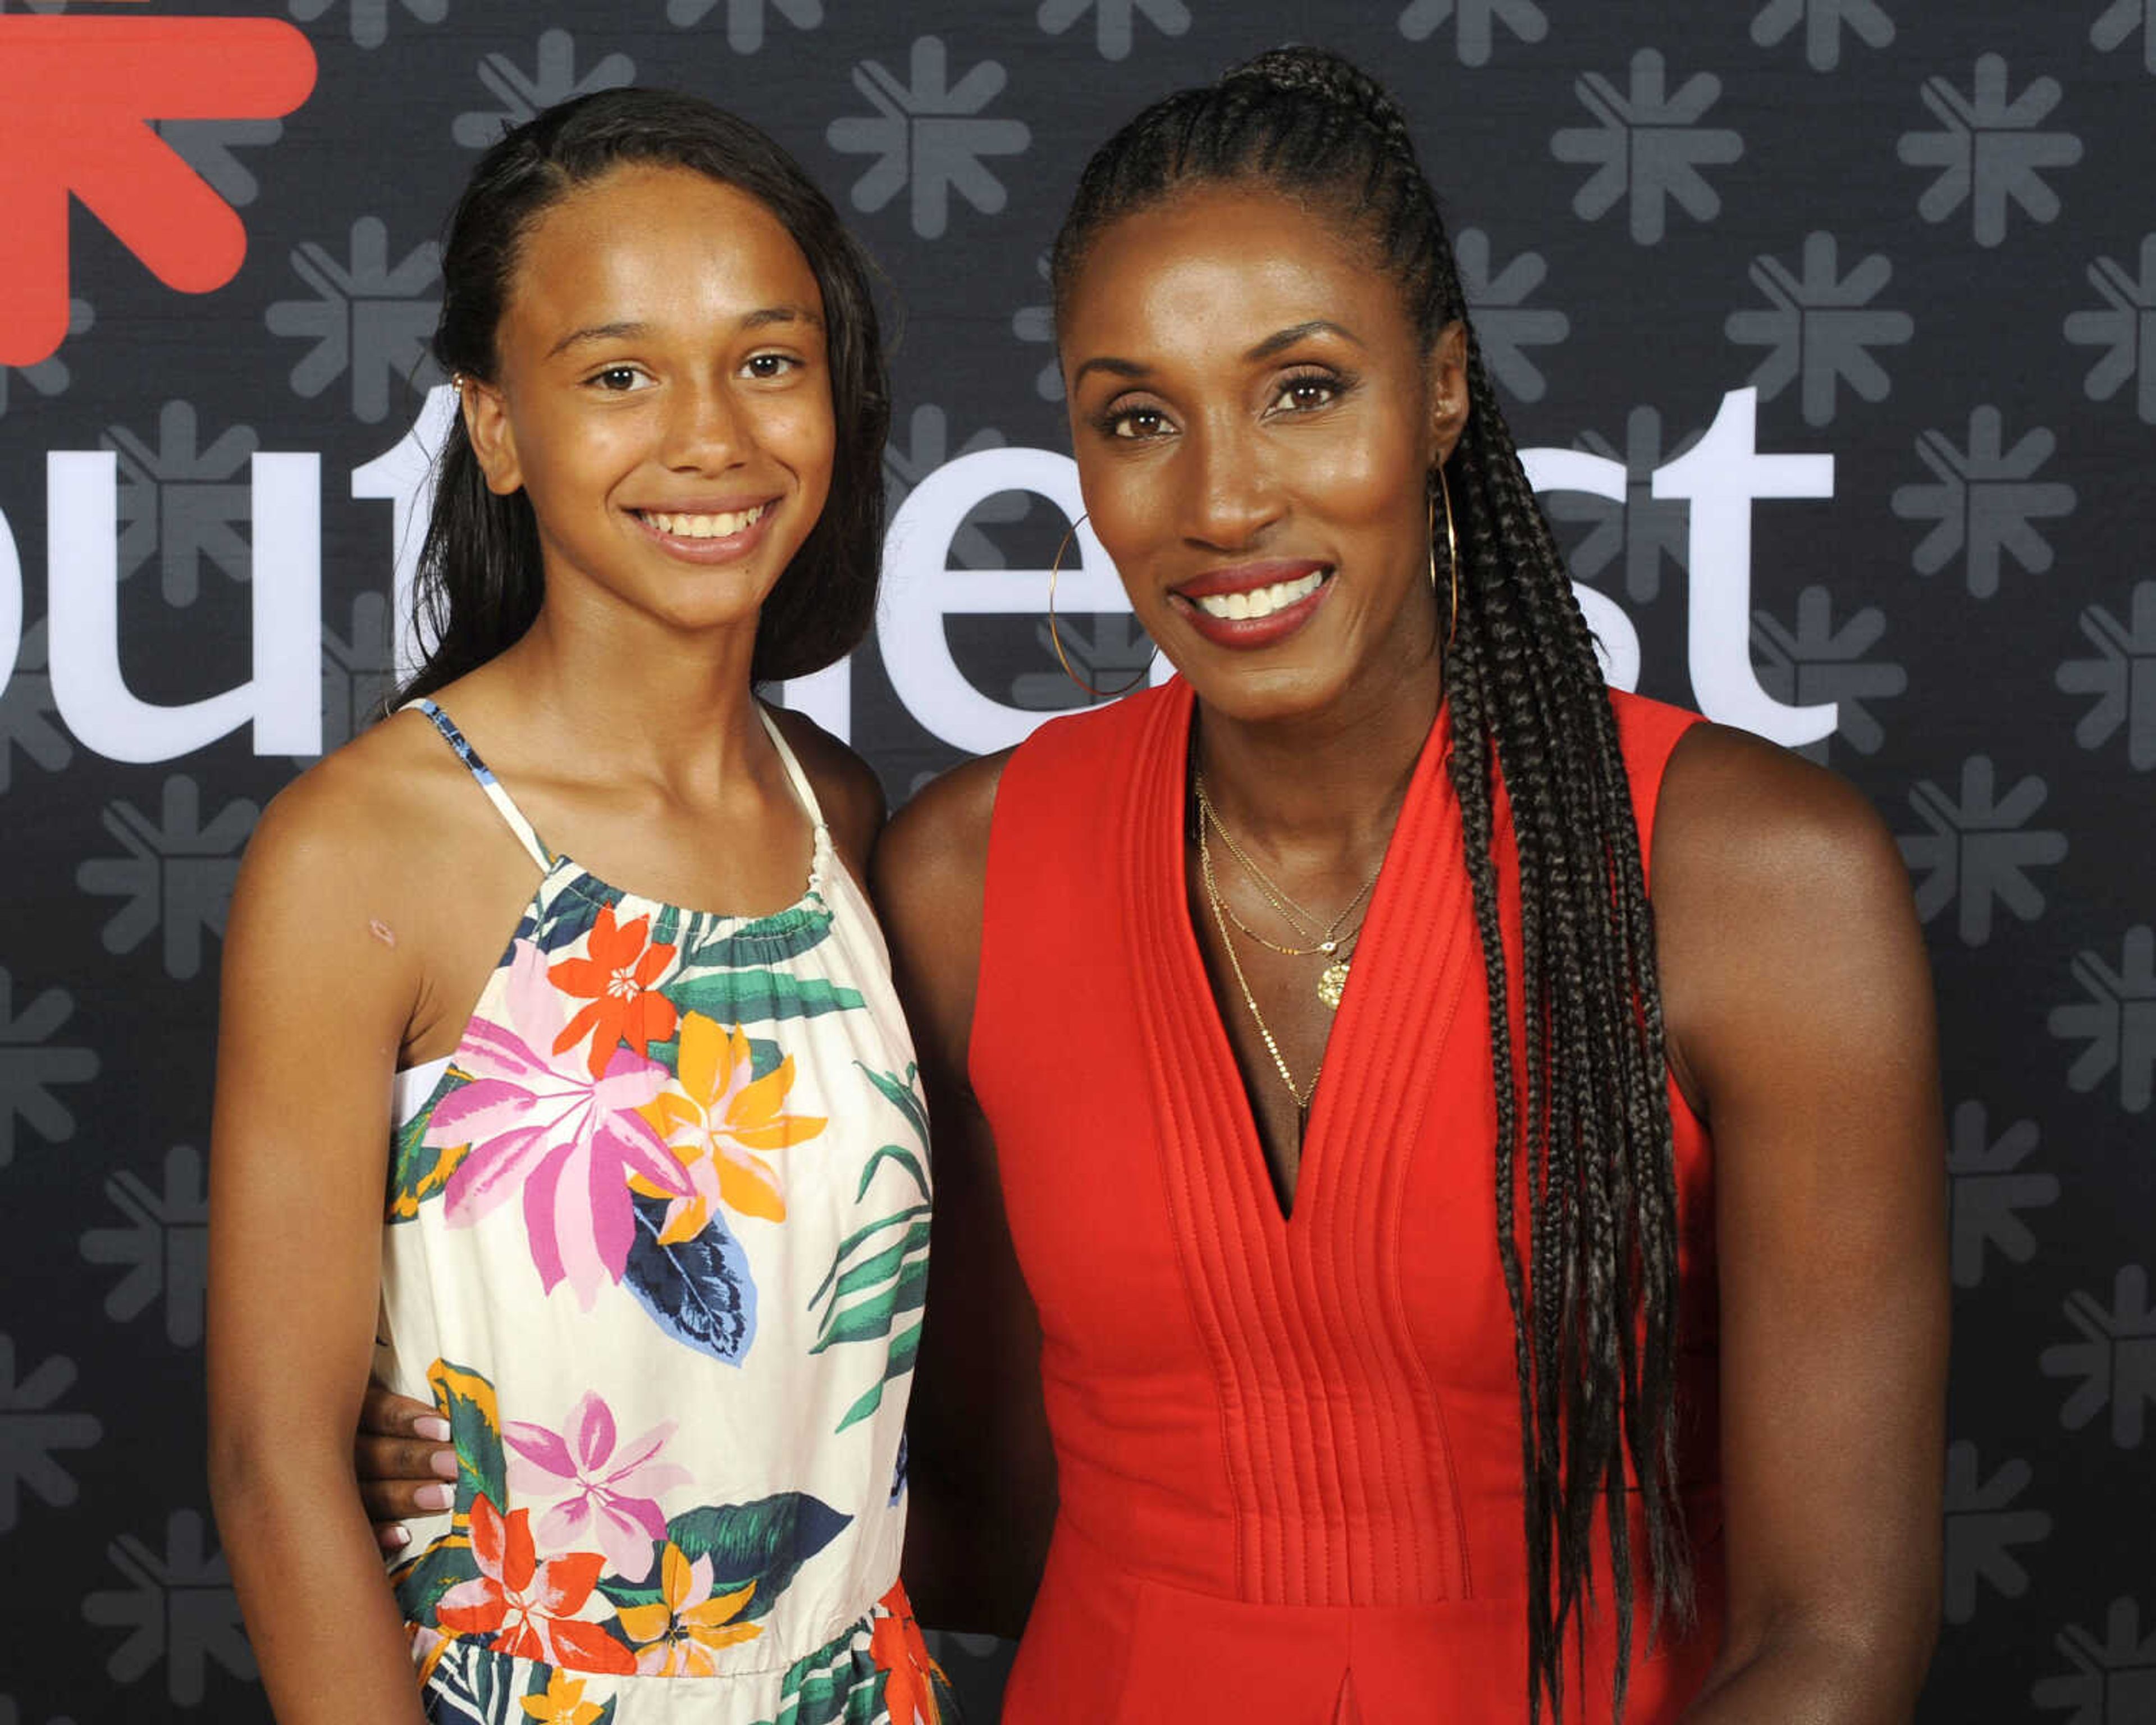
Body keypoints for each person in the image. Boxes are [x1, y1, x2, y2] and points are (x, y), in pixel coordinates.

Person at [359, 47, 1948, 1723]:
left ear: (1447, 390)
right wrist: (485, 1413)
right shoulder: (966, 876)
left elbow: (1830, 1640)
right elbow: (934, 1496)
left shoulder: (1759, 885)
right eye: (1137, 419)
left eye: (1306, 390)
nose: (1225, 500)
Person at [208, 89, 952, 1725]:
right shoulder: (365, 852)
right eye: (618, 374)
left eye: (768, 361)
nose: (714, 439)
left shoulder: (836, 815)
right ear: (492, 424)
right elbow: (275, 1469)